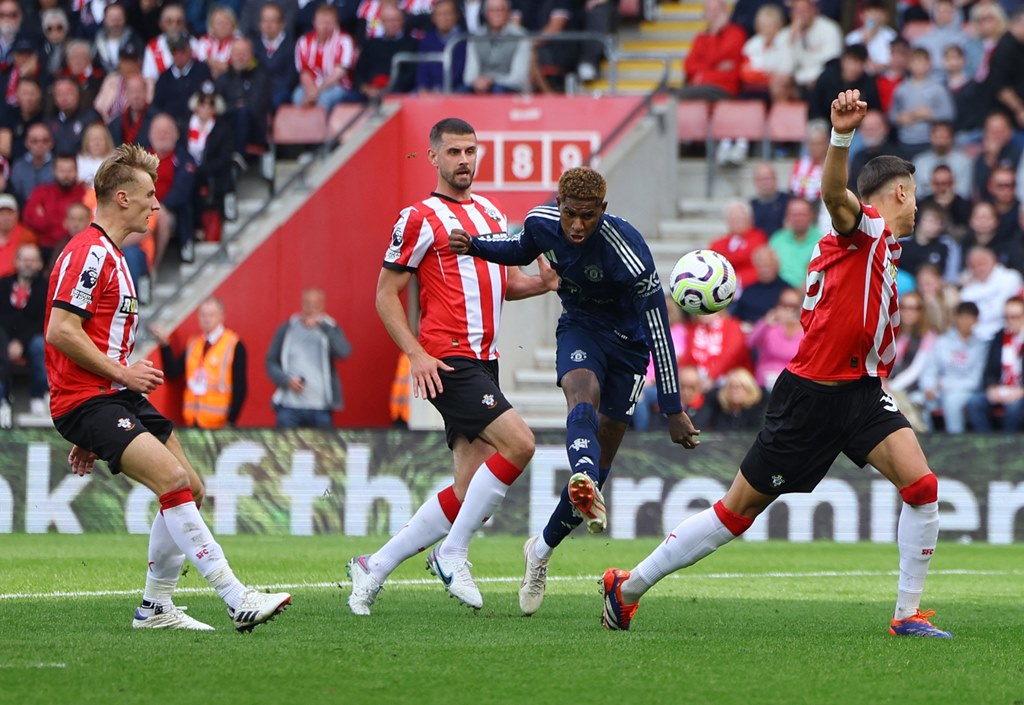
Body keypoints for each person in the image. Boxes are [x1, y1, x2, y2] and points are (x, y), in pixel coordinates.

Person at [599, 89, 953, 639]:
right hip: (812, 396)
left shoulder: (879, 246)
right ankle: (627, 588)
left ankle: (907, 615)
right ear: (901, 192)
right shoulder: (862, 230)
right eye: (915, 196)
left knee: (923, 488)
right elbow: (836, 192)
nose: (918, 204)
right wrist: (840, 135)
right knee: (736, 512)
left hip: (862, 391)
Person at [44, 144, 291, 631]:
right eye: (149, 195)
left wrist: (102, 409)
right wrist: (118, 379)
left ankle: (155, 608)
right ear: (121, 198)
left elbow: (87, 340)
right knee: (173, 482)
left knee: (191, 488)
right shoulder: (89, 254)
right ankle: (235, 596)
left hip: (109, 397)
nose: (157, 205)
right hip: (93, 398)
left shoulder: (114, 256)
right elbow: (60, 331)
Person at [449, 165, 700, 615]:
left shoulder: (630, 253)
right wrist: (476, 245)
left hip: (630, 348)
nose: (578, 225)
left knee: (603, 460)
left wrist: (673, 408)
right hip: (581, 328)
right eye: (570, 215)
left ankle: (540, 551)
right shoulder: (543, 222)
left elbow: (659, 329)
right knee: (580, 392)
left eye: (588, 215)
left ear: (603, 209)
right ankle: (581, 472)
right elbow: (519, 247)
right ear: (559, 207)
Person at [346, 117, 553, 615]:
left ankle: (373, 566)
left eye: (471, 150)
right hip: (448, 359)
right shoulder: (419, 217)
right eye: (455, 152)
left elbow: (505, 284)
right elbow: (386, 295)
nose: (465, 160)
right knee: (521, 444)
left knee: (468, 491)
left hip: (486, 359)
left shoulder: (490, 212)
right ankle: (451, 553)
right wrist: (416, 353)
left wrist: (545, 282)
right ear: (434, 157)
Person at [152, 296, 248, 429]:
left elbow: (240, 387)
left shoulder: (233, 345)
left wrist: (231, 420)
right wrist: (165, 345)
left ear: (221, 316)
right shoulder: (194, 344)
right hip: (192, 421)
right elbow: (173, 373)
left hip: (219, 424)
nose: (206, 319)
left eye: (211, 315)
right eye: (203, 315)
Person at [265, 286, 351, 429]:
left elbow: (344, 352)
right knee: (285, 447)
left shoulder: (330, 328)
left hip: (321, 407)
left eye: (315, 305)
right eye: (307, 304)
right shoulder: (288, 328)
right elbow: (270, 361)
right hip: (289, 407)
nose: (311, 309)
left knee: (323, 449)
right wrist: (286, 380)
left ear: (322, 306)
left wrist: (324, 327)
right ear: (302, 304)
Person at [919, 301, 986, 434]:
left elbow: (976, 380)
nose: (966, 321)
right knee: (917, 401)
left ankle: (955, 446)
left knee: (951, 402)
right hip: (938, 390)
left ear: (976, 320)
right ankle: (925, 445)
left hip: (965, 391)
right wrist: (928, 387)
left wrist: (946, 386)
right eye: (962, 317)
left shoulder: (981, 346)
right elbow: (930, 370)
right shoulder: (942, 342)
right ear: (956, 318)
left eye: (970, 317)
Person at [0, 242, 47, 415]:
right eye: (24, 259)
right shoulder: (4, 284)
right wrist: (10, 341)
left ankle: (38, 395)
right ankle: (1, 398)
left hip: (32, 337)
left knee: (40, 346)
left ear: (40, 263)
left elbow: (41, 320)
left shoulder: (45, 288)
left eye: (32, 260)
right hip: (5, 336)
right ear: (17, 261)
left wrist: (20, 341)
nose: (28, 264)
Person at [965, 297, 1024, 432]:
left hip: (1019, 391)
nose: (1010, 321)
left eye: (1015, 317)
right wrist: (991, 387)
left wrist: (1020, 391)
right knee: (975, 403)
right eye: (1006, 317)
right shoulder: (999, 337)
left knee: (1014, 408)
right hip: (1001, 388)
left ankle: (1009, 447)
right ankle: (986, 444)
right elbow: (989, 369)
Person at [746, 286, 804, 390]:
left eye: (793, 306)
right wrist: (766, 323)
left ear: (800, 308)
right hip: (764, 383)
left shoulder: (805, 330)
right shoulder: (770, 325)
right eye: (784, 305)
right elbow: (750, 342)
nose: (788, 310)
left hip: (792, 385)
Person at [707, 199, 767, 289]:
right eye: (733, 218)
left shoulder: (759, 238)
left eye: (740, 218)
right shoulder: (718, 243)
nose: (737, 221)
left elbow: (757, 266)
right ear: (727, 221)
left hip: (751, 288)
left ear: (750, 219)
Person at [699, 367, 767, 431]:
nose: (734, 390)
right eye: (731, 387)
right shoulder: (718, 410)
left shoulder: (757, 413)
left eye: (739, 387)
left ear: (749, 390)